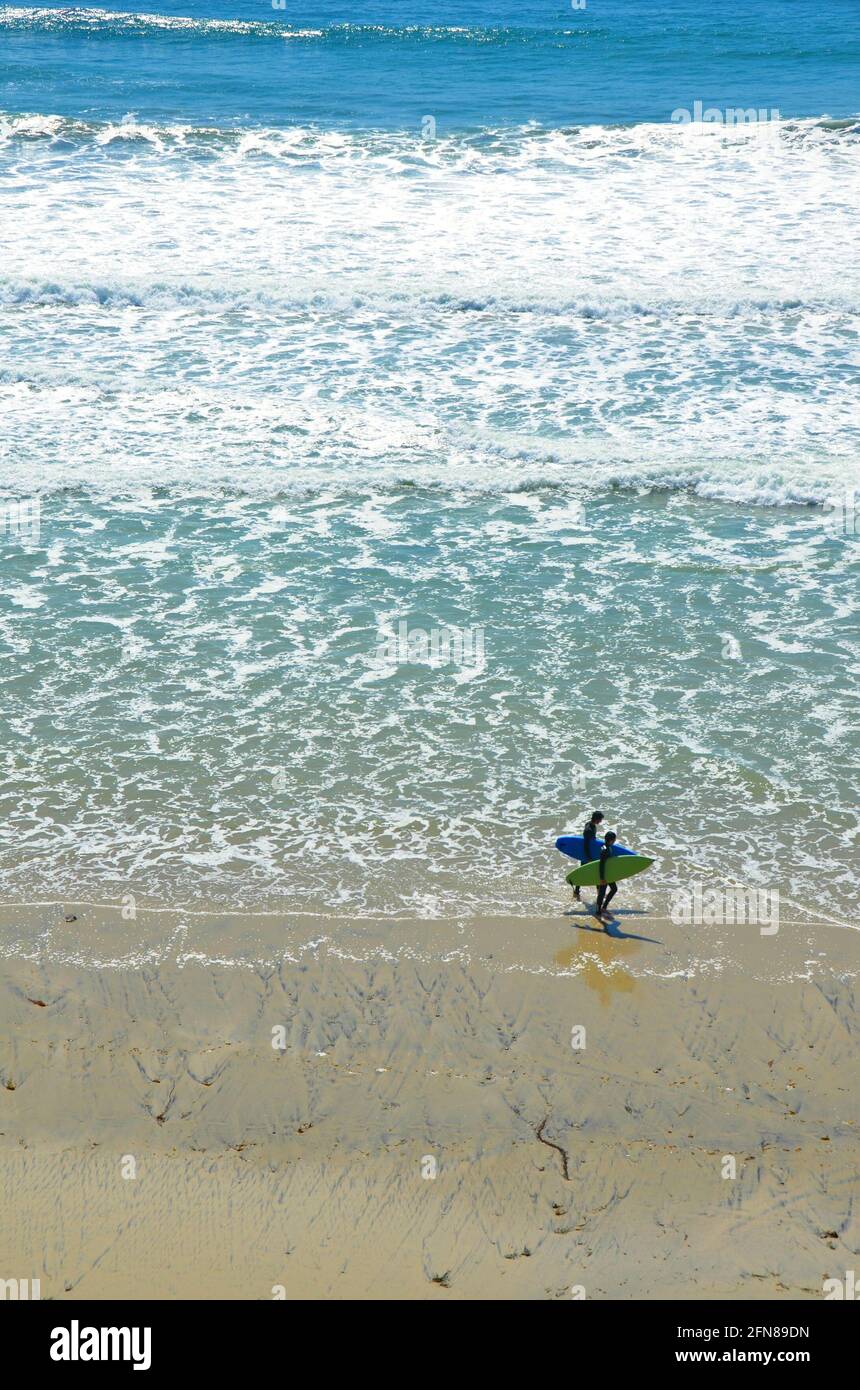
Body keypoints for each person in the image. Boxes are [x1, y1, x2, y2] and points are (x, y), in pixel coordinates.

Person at [573, 811, 604, 901]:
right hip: (587, 855)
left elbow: (590, 842)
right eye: (600, 819)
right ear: (597, 819)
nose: (601, 821)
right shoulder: (589, 830)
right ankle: (598, 892)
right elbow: (586, 845)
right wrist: (589, 858)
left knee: (588, 872)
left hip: (589, 854)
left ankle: (576, 891)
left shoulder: (591, 825)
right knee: (594, 873)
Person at [595, 831, 619, 920]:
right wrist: (602, 878)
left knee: (614, 889)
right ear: (611, 840)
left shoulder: (607, 847)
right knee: (601, 893)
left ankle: (604, 908)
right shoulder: (605, 849)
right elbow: (601, 864)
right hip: (604, 875)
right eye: (614, 839)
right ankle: (597, 912)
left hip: (608, 874)